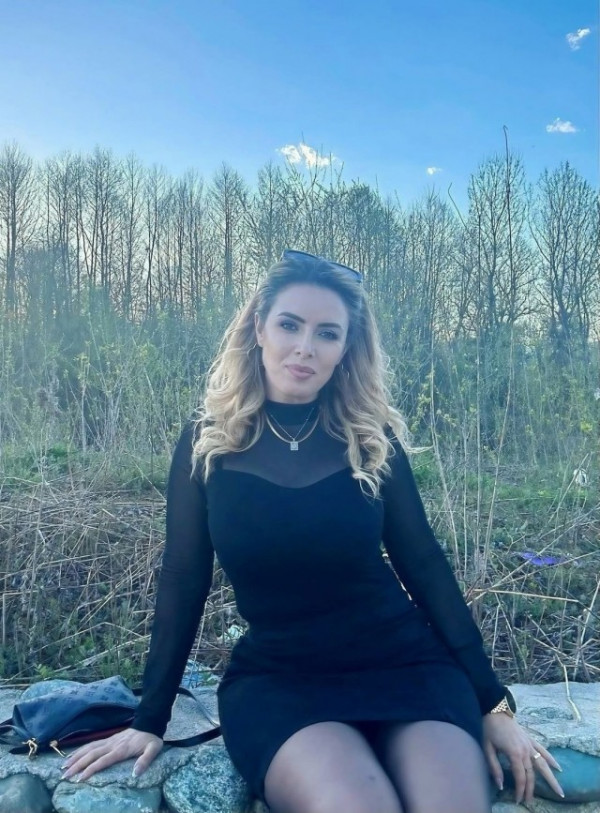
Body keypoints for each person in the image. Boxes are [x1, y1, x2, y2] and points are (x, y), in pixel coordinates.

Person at [62, 250, 564, 812]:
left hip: (406, 669)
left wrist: (493, 704)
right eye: (290, 325)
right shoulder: (208, 444)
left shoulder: (371, 441)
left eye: (327, 333)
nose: (305, 347)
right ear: (259, 328)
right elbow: (183, 578)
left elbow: (425, 567)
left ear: (346, 348)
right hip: (282, 682)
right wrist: (149, 719)